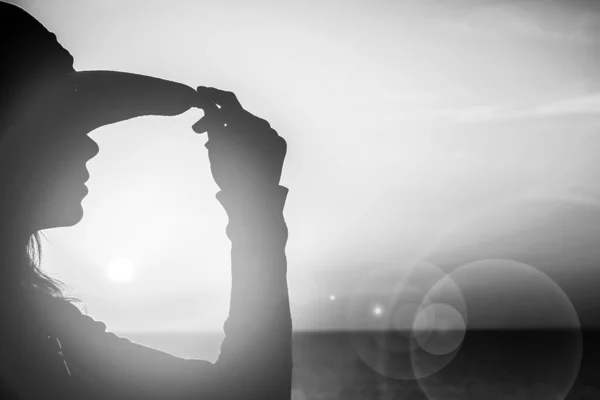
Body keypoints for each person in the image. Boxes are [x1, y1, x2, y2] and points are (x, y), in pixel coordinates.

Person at [0, 2, 292, 399]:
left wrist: (254, 203)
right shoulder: (25, 323)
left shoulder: (33, 316)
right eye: (60, 125)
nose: (90, 146)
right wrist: (256, 209)